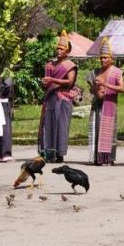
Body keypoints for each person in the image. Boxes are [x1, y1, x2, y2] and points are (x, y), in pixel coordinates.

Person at [39, 30, 78, 163]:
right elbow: (46, 84)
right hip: (50, 98)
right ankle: (48, 153)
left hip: (63, 99)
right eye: (58, 48)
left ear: (67, 52)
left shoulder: (70, 65)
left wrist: (52, 80)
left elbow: (69, 82)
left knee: (61, 126)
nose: (59, 51)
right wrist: (45, 83)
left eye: (62, 49)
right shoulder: (50, 65)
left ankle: (59, 154)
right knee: (48, 125)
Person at [87, 37, 124, 165]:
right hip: (97, 105)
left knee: (109, 132)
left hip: (110, 105)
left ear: (111, 59)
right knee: (97, 130)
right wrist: (96, 89)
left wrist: (106, 85)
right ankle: (98, 158)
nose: (103, 60)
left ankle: (109, 158)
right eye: (101, 58)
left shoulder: (116, 72)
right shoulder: (94, 72)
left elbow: (122, 88)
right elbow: (91, 90)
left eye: (106, 57)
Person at [0, 76, 15, 163]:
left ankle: (4, 154)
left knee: (4, 129)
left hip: (2, 104)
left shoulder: (7, 76)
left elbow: (8, 86)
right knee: (1, 129)